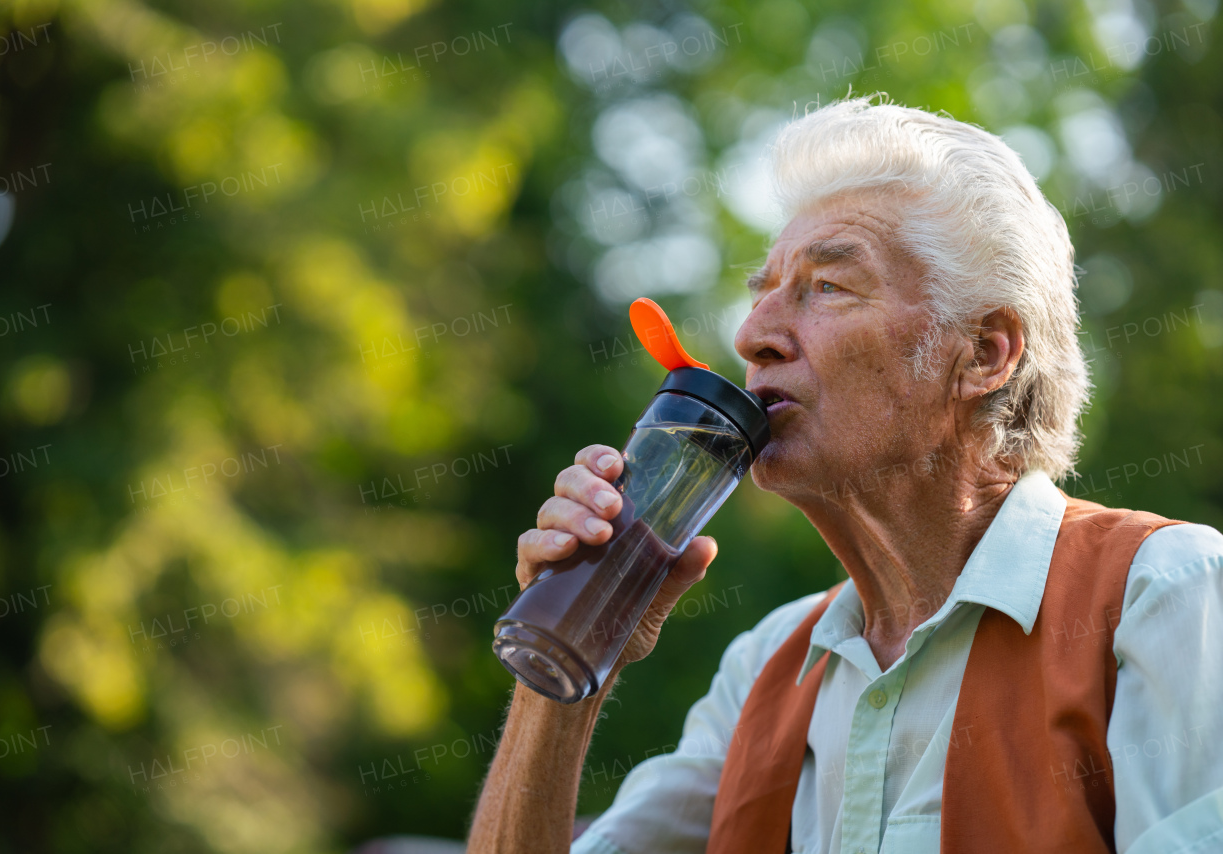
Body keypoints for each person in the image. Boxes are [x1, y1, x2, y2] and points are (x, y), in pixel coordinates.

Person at [466, 97, 1223, 854]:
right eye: (763, 288)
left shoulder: (1170, 596)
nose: (752, 334)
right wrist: (570, 651)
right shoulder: (764, 668)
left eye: (828, 287)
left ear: (986, 354)